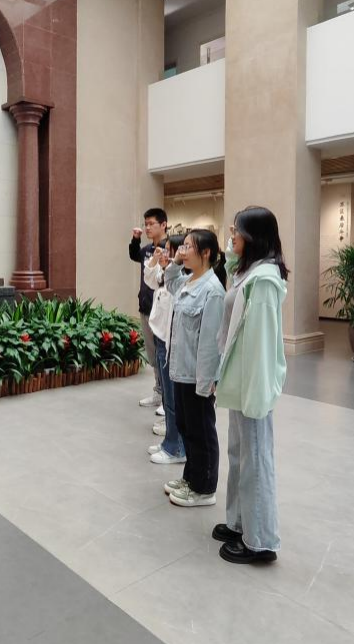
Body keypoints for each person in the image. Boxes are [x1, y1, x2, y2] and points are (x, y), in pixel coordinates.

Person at [211, 207, 288, 564]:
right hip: (239, 382)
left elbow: (260, 345)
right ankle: (240, 523)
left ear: (253, 237)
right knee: (240, 455)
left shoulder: (265, 280)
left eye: (237, 232)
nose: (232, 237)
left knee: (255, 460)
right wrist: (232, 247)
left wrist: (256, 396)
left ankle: (260, 541)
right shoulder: (249, 272)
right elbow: (231, 269)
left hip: (251, 386)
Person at [159, 229, 227, 507]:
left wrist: (206, 381)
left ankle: (204, 488)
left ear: (206, 253)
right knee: (186, 427)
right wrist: (175, 261)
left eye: (188, 247)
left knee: (201, 432)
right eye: (183, 246)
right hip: (181, 370)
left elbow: (211, 343)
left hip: (197, 375)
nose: (183, 251)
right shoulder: (189, 281)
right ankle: (191, 478)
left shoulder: (212, 291)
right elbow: (169, 281)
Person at [144, 234, 186, 464]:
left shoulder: (180, 279)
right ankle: (170, 442)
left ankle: (176, 447)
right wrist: (157, 260)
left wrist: (172, 264)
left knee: (173, 400)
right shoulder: (168, 275)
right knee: (169, 398)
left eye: (171, 250)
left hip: (170, 342)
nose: (166, 254)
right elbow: (151, 279)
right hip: (162, 339)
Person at [129, 208, 169, 408]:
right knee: (153, 355)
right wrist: (135, 239)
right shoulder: (146, 250)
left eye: (151, 224)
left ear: (163, 225)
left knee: (163, 354)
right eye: (146, 224)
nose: (147, 228)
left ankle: (167, 398)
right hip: (145, 306)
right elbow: (134, 255)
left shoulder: (168, 249)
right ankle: (158, 392)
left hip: (161, 310)